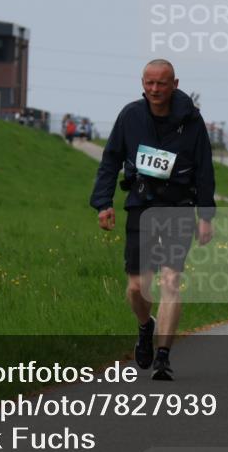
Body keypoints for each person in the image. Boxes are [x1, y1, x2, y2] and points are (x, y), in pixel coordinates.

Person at [90, 59, 215, 379]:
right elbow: (110, 160)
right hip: (142, 206)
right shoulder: (131, 115)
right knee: (137, 287)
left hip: (179, 206)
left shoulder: (192, 120)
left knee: (171, 281)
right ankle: (146, 326)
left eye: (161, 83)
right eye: (149, 83)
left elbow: (204, 168)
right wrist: (103, 203)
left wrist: (206, 215)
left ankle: (163, 357)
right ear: (142, 83)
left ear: (175, 84)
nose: (155, 89)